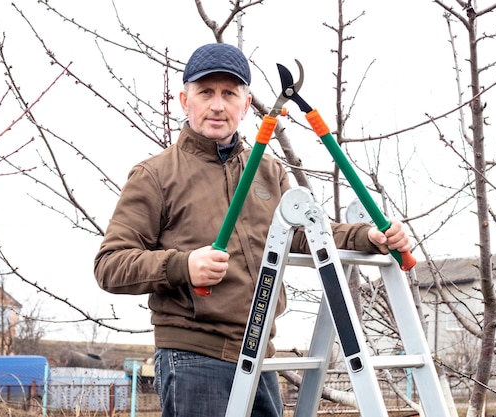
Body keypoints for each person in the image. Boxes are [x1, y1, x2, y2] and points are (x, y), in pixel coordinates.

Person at [94, 43, 412, 417]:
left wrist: (366, 237)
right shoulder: (155, 175)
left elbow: (302, 233)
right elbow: (110, 266)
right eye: (205, 92)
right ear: (185, 100)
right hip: (195, 358)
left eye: (229, 93)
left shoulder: (268, 170)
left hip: (259, 355)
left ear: (245, 105)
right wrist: (184, 266)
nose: (217, 105)